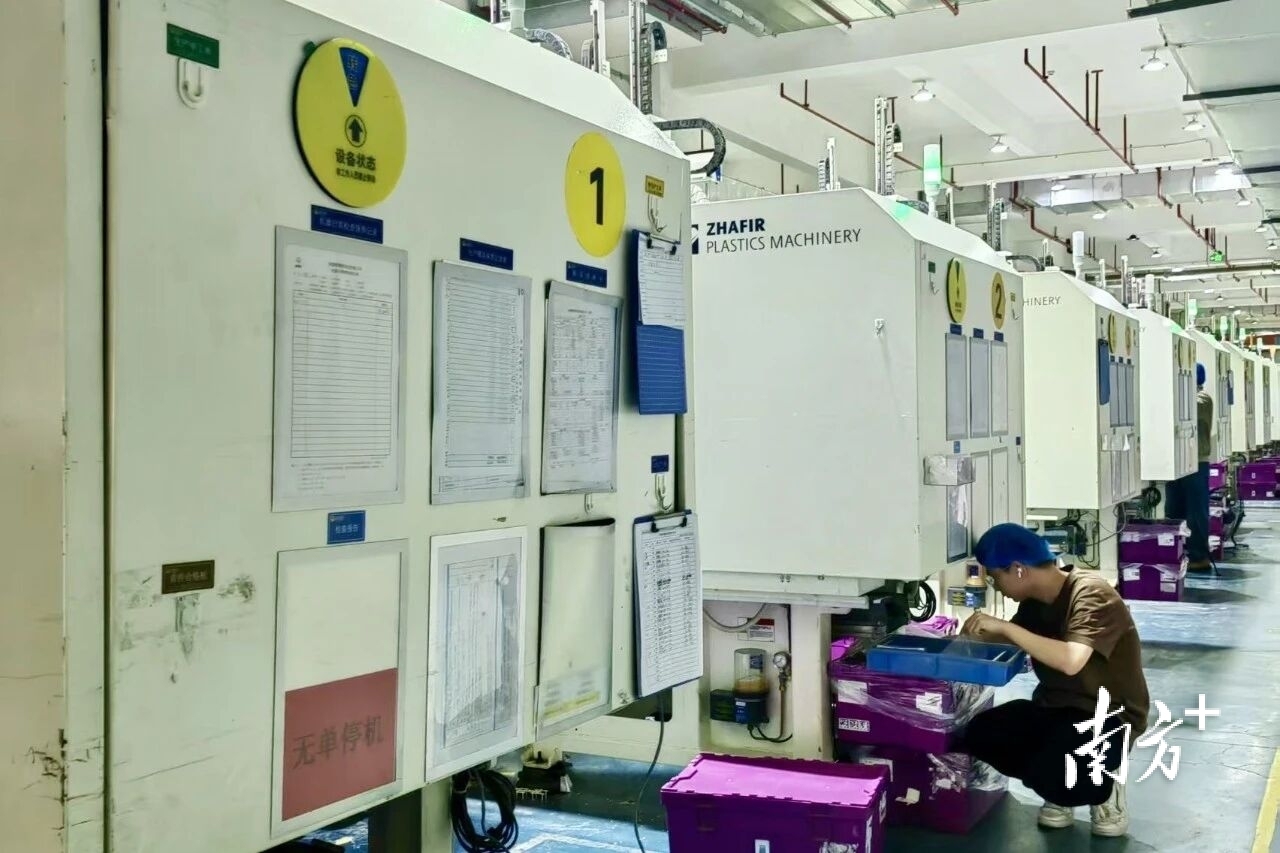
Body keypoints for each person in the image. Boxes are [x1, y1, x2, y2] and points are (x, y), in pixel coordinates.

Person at [958, 523, 1150, 838]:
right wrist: (964, 640)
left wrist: (1005, 628)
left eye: (995, 577)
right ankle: (1056, 785)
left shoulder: (1092, 594)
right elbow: (1012, 643)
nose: (996, 587)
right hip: (1056, 708)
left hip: (1107, 717)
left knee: (1059, 766)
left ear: (1018, 569)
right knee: (982, 732)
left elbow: (1070, 660)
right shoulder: (1035, 602)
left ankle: (1105, 785)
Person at [1166, 362, 1214, 570]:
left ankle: (1199, 556)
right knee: (1174, 510)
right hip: (1176, 463)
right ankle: (1179, 552)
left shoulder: (1202, 398)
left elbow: (1187, 407)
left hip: (1196, 463)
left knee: (1196, 512)